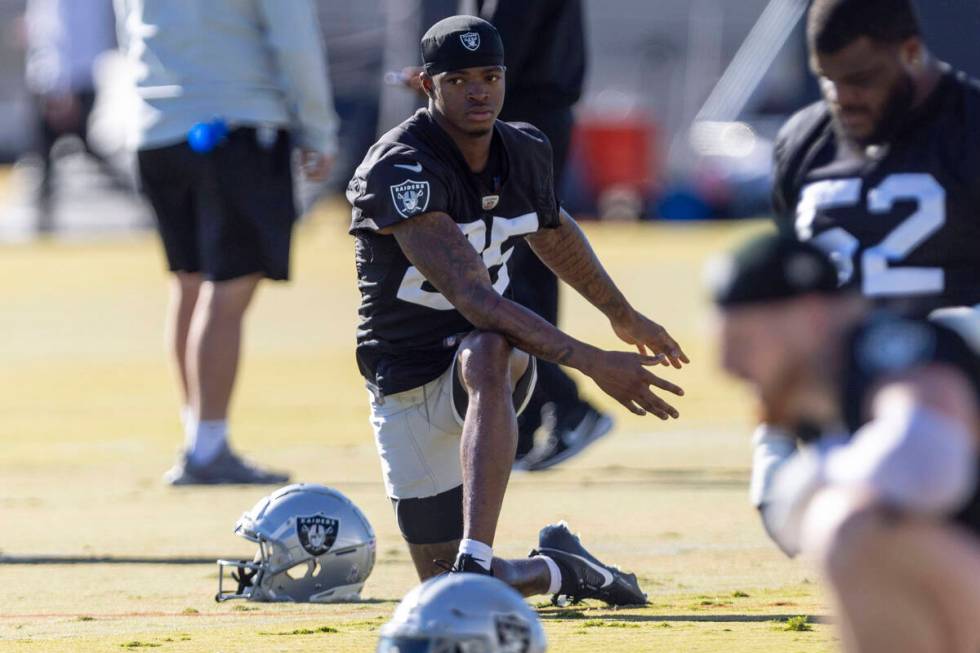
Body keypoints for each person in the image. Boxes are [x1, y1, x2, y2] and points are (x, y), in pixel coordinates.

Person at [347, 16, 686, 602]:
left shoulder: (523, 147)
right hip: (404, 375)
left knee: (488, 349)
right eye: (459, 80)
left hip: (485, 368)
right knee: (443, 591)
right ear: (429, 86)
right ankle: (558, 571)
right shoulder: (400, 165)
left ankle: (477, 555)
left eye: (491, 76)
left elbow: (550, 227)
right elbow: (474, 295)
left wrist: (619, 313)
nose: (478, 91)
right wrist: (591, 362)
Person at [755, 0, 980, 527]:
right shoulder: (804, 140)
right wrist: (773, 438)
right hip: (849, 398)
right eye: (828, 79)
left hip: (957, 387)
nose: (842, 97)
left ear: (911, 53)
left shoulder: (970, 126)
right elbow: (790, 295)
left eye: (860, 78)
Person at [714, 233, 980, 653]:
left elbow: (932, 459)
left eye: (744, 343)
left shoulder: (888, 349)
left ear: (810, 315)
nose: (730, 365)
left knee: (849, 527)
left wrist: (818, 472)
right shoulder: (825, 389)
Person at [114, 0, 339, 485]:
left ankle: (200, 436)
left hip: (155, 130)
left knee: (190, 284)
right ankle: (207, 448)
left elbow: (128, 32)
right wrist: (318, 128)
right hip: (234, 126)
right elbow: (295, 38)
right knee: (226, 290)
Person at [23, 0, 124, 234]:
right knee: (59, 154)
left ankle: (43, 220)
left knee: (54, 154)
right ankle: (134, 192)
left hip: (64, 83)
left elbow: (61, 33)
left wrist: (60, 88)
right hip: (72, 79)